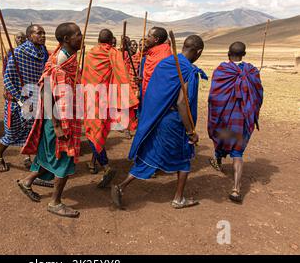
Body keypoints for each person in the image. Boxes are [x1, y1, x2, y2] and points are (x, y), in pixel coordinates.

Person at [112, 35, 208, 209]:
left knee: (153, 155)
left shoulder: (166, 63)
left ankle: (121, 186)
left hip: (158, 118)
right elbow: (181, 103)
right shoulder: (188, 71)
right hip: (174, 122)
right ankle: (178, 199)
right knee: (185, 157)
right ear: (199, 51)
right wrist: (190, 131)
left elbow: (152, 92)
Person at [19, 22, 83, 218]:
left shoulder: (68, 57)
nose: (81, 37)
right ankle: (55, 202)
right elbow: (47, 92)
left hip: (62, 116)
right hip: (58, 120)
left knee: (47, 156)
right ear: (66, 39)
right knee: (64, 159)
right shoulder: (58, 63)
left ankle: (27, 181)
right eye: (78, 35)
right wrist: (57, 126)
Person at [82, 29, 139, 187]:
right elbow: (122, 76)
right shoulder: (114, 54)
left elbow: (85, 75)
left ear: (99, 40)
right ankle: (95, 164)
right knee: (99, 132)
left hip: (91, 99)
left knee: (93, 132)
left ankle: (105, 166)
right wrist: (128, 98)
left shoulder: (91, 53)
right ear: (110, 42)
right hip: (106, 99)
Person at [208, 41, 264, 203]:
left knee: (221, 136)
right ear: (244, 55)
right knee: (237, 153)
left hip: (225, 118)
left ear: (228, 53)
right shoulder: (252, 71)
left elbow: (214, 98)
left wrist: (216, 114)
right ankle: (236, 189)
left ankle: (217, 158)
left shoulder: (221, 70)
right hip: (243, 118)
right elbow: (258, 96)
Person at [0, 25, 49, 172]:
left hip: (35, 98)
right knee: (12, 132)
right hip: (17, 100)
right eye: (39, 33)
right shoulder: (18, 53)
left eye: (44, 33)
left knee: (32, 131)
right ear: (30, 36)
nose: (43, 36)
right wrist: (20, 100)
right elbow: (7, 79)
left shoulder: (43, 53)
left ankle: (28, 157)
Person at [141, 27, 172, 100]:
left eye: (149, 36)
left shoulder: (163, 57)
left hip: (156, 98)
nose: (145, 38)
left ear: (156, 40)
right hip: (147, 94)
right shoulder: (152, 54)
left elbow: (160, 82)